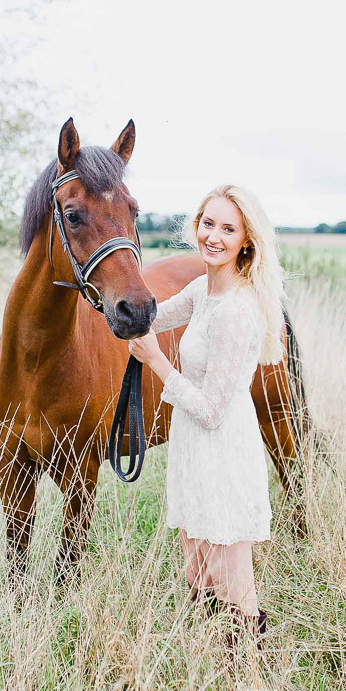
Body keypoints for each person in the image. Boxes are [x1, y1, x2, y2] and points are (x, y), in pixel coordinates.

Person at [128, 183, 287, 661]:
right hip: (191, 447)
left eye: (228, 228)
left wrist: (157, 363)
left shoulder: (238, 309)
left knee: (230, 576)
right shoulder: (202, 288)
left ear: (246, 241)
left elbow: (213, 410)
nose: (213, 236)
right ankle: (210, 669)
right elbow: (151, 319)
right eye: (208, 223)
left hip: (221, 446)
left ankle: (250, 680)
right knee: (196, 571)